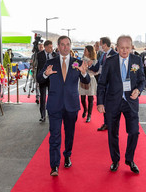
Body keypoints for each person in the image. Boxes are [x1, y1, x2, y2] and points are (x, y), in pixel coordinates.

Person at [37, 36, 90, 176]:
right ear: (58, 46)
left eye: (67, 44)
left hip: (71, 105)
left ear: (70, 46)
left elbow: (87, 80)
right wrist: (45, 74)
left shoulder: (78, 63)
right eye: (62, 45)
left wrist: (84, 72)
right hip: (55, 104)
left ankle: (67, 155)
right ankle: (54, 165)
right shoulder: (50, 63)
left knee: (69, 134)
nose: (65, 47)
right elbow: (39, 78)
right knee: (54, 135)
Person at [97, 35, 145, 174]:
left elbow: (142, 80)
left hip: (131, 101)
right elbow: (102, 83)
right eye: (122, 48)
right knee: (112, 133)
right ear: (117, 47)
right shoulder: (110, 61)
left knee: (134, 132)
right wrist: (100, 102)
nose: (124, 51)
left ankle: (129, 159)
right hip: (113, 102)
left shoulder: (137, 60)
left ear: (131, 47)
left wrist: (138, 90)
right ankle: (115, 160)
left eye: (127, 48)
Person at [89, 37, 117, 131]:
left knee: (111, 105)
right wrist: (89, 66)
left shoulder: (115, 55)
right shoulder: (102, 55)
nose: (100, 46)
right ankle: (106, 123)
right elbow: (97, 67)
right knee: (104, 103)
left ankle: (111, 123)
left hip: (112, 84)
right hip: (103, 83)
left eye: (101, 44)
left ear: (105, 44)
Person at [36, 40, 57, 122]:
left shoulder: (55, 55)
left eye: (52, 47)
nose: (51, 49)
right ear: (45, 47)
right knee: (43, 97)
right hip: (43, 78)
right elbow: (38, 68)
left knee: (52, 97)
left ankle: (51, 113)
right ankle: (43, 115)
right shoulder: (39, 55)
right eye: (50, 47)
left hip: (52, 79)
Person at [79, 45, 97, 123]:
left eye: (85, 50)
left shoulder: (94, 60)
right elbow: (77, 66)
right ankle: (85, 109)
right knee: (82, 98)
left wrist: (89, 67)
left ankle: (89, 115)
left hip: (91, 79)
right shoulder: (81, 59)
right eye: (84, 50)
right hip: (82, 80)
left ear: (89, 52)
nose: (84, 52)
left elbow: (96, 72)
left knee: (90, 99)